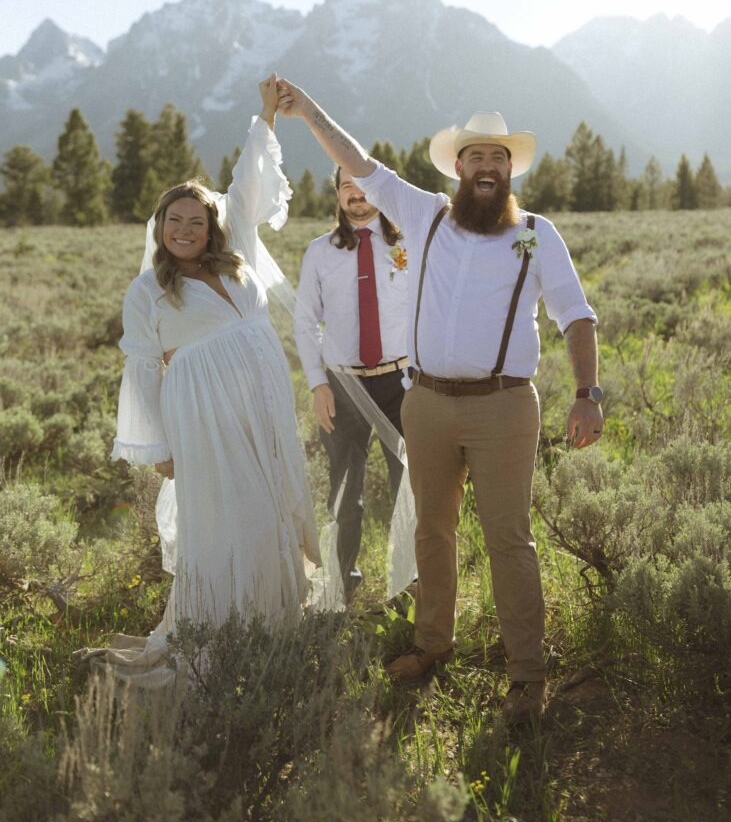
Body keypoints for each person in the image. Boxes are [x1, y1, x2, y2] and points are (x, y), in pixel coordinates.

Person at [276, 80, 603, 723]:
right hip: (424, 403)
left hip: (504, 408)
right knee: (432, 529)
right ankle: (431, 645)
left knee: (509, 540)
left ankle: (526, 675)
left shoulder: (535, 235)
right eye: (476, 157)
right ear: (458, 167)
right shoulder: (424, 216)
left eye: (498, 159)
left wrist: (588, 392)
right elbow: (360, 163)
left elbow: (577, 316)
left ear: (509, 171)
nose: (487, 167)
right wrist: (309, 111)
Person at [104, 75, 320, 684]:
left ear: (211, 225)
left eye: (196, 220)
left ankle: (274, 629)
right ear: (160, 226)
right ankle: (217, 639)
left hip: (263, 408)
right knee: (230, 521)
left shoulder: (238, 257)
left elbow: (247, 185)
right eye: (175, 220)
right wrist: (159, 450)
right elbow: (143, 370)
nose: (186, 229)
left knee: (273, 507)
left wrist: (266, 118)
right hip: (203, 422)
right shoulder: (148, 290)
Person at [294, 165, 409, 601]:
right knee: (344, 494)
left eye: (364, 188)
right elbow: (305, 321)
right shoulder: (320, 252)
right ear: (338, 194)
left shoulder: (408, 244)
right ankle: (342, 586)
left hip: (401, 383)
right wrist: (316, 384)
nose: (357, 196)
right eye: (347, 188)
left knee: (409, 488)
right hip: (342, 386)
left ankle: (411, 585)